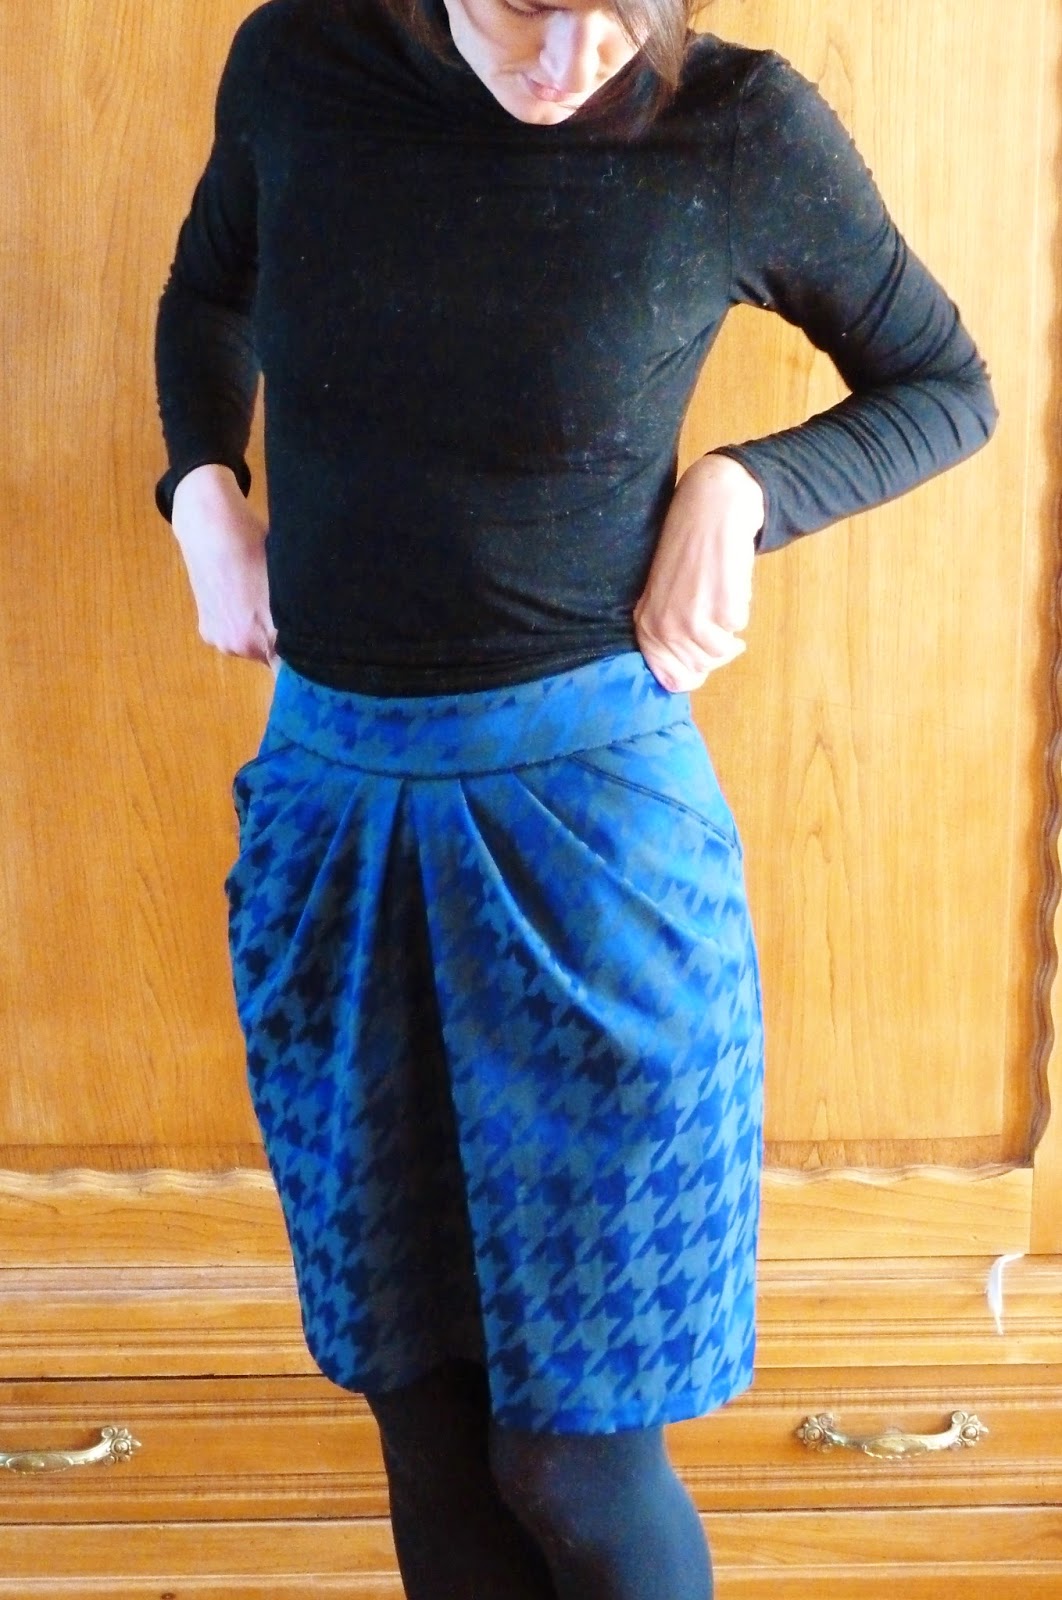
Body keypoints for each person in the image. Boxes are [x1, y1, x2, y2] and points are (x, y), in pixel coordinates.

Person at [154, 0, 997, 1594]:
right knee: (419, 1409)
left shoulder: (739, 129)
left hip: (592, 848)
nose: (563, 70)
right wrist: (202, 483)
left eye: (615, 24)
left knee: (571, 1451)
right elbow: (210, 288)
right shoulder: (298, 66)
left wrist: (746, 486)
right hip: (332, 823)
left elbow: (942, 385)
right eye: (523, 15)